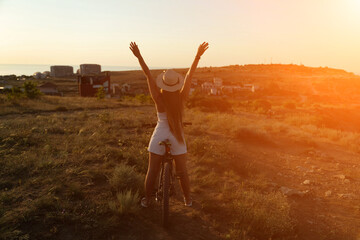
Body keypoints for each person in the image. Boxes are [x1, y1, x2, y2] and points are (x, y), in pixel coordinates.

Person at [129, 41, 209, 207]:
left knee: (152, 170)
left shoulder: (158, 98)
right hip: (177, 136)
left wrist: (138, 56)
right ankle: (187, 200)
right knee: (182, 172)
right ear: (176, 85)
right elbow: (189, 75)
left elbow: (148, 75)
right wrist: (198, 56)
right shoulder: (182, 98)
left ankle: (147, 200)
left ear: (163, 84)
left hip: (160, 133)